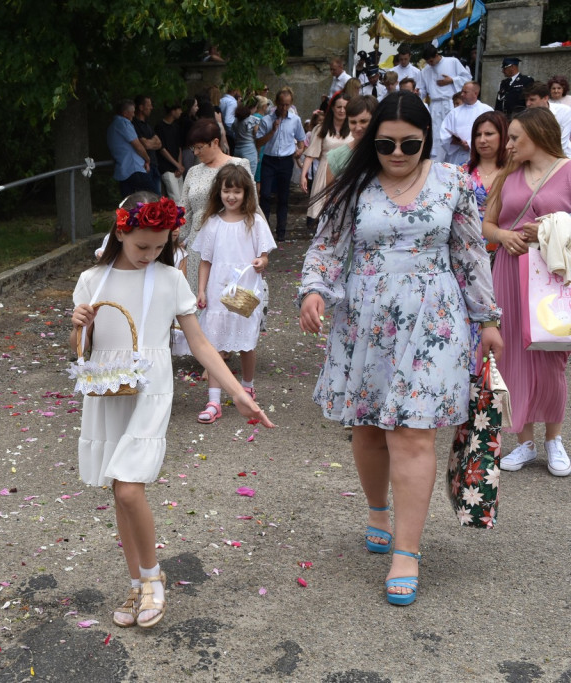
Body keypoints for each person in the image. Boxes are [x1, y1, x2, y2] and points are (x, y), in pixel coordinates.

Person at [299, 91, 502, 606]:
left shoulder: (454, 182)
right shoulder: (353, 186)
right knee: (368, 428)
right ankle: (376, 511)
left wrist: (489, 319)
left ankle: (407, 551)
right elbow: (326, 246)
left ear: (426, 138)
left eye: (408, 144)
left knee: (413, 436)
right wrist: (315, 291)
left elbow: (470, 253)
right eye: (385, 143)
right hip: (364, 321)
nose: (396, 152)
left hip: (434, 319)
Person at [71, 195, 273, 629]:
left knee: (128, 488)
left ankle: (152, 578)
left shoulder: (168, 279)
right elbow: (82, 350)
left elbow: (199, 342)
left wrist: (237, 391)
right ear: (120, 232)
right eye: (142, 246)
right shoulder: (91, 279)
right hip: (108, 388)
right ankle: (136, 581)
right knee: (118, 492)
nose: (150, 255)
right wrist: (79, 325)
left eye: (159, 246)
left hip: (150, 388)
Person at [481, 107, 571, 477]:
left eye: (517, 137)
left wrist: (547, 230)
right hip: (509, 270)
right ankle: (524, 441)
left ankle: (554, 439)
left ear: (539, 134)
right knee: (511, 355)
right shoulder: (507, 174)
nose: (510, 144)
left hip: (551, 275)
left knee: (552, 356)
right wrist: (503, 235)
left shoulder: (568, 171)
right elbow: (486, 223)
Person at [193, 164, 277, 422]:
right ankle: (214, 401)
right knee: (214, 344)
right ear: (219, 192)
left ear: (246, 194)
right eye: (226, 191)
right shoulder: (212, 223)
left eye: (237, 192)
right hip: (219, 291)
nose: (231, 196)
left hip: (244, 291)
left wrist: (261, 263)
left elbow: (264, 257)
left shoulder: (255, 222)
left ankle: (247, 384)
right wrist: (201, 290)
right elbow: (205, 261)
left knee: (246, 344)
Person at [180, 119, 257, 298]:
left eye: (200, 147)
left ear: (215, 142)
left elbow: (252, 204)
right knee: (198, 295)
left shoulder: (239, 165)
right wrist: (177, 239)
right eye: (193, 149)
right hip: (198, 241)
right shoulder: (193, 172)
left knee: (230, 295)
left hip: (231, 241)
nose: (196, 153)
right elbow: (184, 209)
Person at [255, 86, 307, 241]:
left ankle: (281, 231)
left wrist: (300, 150)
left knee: (283, 196)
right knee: (264, 195)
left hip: (285, 161)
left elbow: (301, 140)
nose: (284, 108)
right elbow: (258, 142)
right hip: (269, 160)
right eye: (282, 104)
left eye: (287, 105)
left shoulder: (295, 120)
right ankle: (264, 229)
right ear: (276, 103)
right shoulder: (266, 120)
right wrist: (272, 131)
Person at [302, 93, 351, 225]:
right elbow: (311, 154)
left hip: (347, 173)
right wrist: (303, 175)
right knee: (322, 214)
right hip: (325, 171)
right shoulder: (321, 129)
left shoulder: (354, 128)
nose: (341, 110)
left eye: (345, 107)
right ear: (333, 108)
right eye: (338, 107)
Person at [421, 45, 472, 161]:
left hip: (451, 102)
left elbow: (467, 78)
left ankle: (456, 160)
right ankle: (437, 161)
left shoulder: (452, 62)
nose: (430, 64)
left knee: (454, 131)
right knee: (437, 134)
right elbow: (422, 89)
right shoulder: (425, 71)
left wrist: (452, 80)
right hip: (435, 105)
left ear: (436, 55)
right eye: (428, 62)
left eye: (431, 61)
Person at [461, 111, 510, 222]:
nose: (482, 140)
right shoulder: (461, 171)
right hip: (466, 236)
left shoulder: (516, 172)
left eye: (488, 134)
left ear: (503, 135)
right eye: (478, 135)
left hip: (503, 236)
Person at [324, 95, 378, 185]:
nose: (358, 128)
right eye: (353, 122)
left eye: (363, 121)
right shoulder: (336, 157)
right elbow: (330, 196)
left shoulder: (386, 152)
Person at [439, 82, 493, 165]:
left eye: (465, 92)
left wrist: (471, 144)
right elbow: (444, 134)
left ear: (475, 93)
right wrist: (458, 142)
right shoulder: (454, 112)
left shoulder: (486, 110)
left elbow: (492, 132)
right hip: (457, 154)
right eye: (462, 91)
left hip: (479, 154)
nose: (462, 94)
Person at [523, 82, 571, 157]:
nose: (528, 104)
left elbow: (562, 142)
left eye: (532, 100)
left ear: (545, 98)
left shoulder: (565, 111)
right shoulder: (524, 116)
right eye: (526, 100)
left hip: (563, 156)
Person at [154, 102, 185, 202]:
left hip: (177, 167)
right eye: (179, 109)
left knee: (182, 198)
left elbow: (179, 147)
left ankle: (183, 217)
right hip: (166, 167)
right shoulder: (160, 127)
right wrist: (177, 165)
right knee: (175, 198)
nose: (181, 112)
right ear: (172, 111)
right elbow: (162, 149)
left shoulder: (176, 127)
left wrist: (179, 165)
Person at [133, 95, 163, 193]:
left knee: (157, 198)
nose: (151, 108)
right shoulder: (134, 124)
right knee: (149, 198)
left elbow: (159, 143)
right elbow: (144, 144)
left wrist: (149, 143)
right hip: (144, 167)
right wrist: (150, 142)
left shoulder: (147, 125)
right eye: (149, 105)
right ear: (141, 107)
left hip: (154, 165)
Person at [231, 96, 261, 177]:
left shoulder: (236, 120)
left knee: (237, 177)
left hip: (237, 150)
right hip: (249, 150)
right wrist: (258, 154)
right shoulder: (253, 120)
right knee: (250, 178)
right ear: (253, 107)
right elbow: (257, 137)